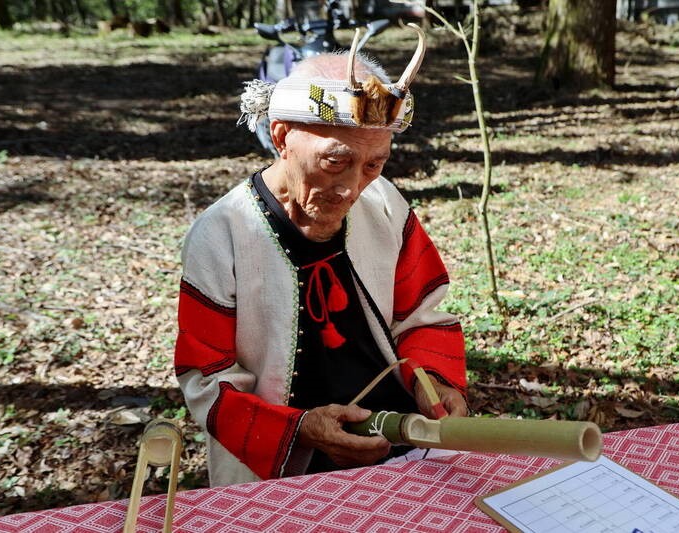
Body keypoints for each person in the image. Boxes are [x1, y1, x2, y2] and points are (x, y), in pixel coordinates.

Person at [174, 25, 468, 487]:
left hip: (404, 438)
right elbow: (207, 379)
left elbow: (424, 316)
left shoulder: (384, 202)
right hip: (285, 462)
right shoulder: (222, 234)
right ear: (280, 136)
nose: (352, 188)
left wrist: (437, 382)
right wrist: (302, 429)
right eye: (335, 161)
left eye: (374, 164)